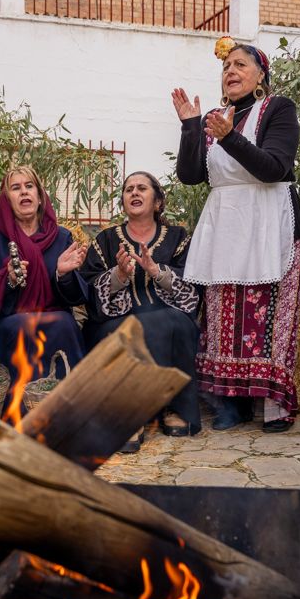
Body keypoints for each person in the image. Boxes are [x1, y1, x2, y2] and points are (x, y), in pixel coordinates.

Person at [171, 39, 300, 432]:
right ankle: (230, 403)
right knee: (224, 315)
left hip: (269, 219)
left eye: (240, 64)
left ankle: (272, 403)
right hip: (226, 222)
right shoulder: (216, 116)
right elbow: (191, 176)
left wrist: (230, 136)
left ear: (261, 74)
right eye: (226, 65)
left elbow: (274, 168)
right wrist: (190, 127)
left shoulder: (279, 109)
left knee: (266, 314)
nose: (230, 71)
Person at [82, 172, 201, 448]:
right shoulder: (105, 240)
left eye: (142, 188)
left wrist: (156, 271)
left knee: (176, 324)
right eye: (128, 190)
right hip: (118, 316)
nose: (134, 193)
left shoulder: (178, 237)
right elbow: (87, 288)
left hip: (166, 312)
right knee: (118, 331)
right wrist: (119, 276)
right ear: (123, 201)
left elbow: (193, 289)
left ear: (158, 201)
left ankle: (175, 407)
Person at [0, 165, 88, 404]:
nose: (24, 192)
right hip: (9, 319)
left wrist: (63, 275)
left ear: (40, 197)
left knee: (65, 322)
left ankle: (69, 408)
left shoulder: (62, 237)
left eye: (29, 186)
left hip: (55, 317)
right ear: (7, 200)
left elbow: (77, 297)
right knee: (24, 325)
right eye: (16, 188)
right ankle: (22, 411)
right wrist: (6, 280)